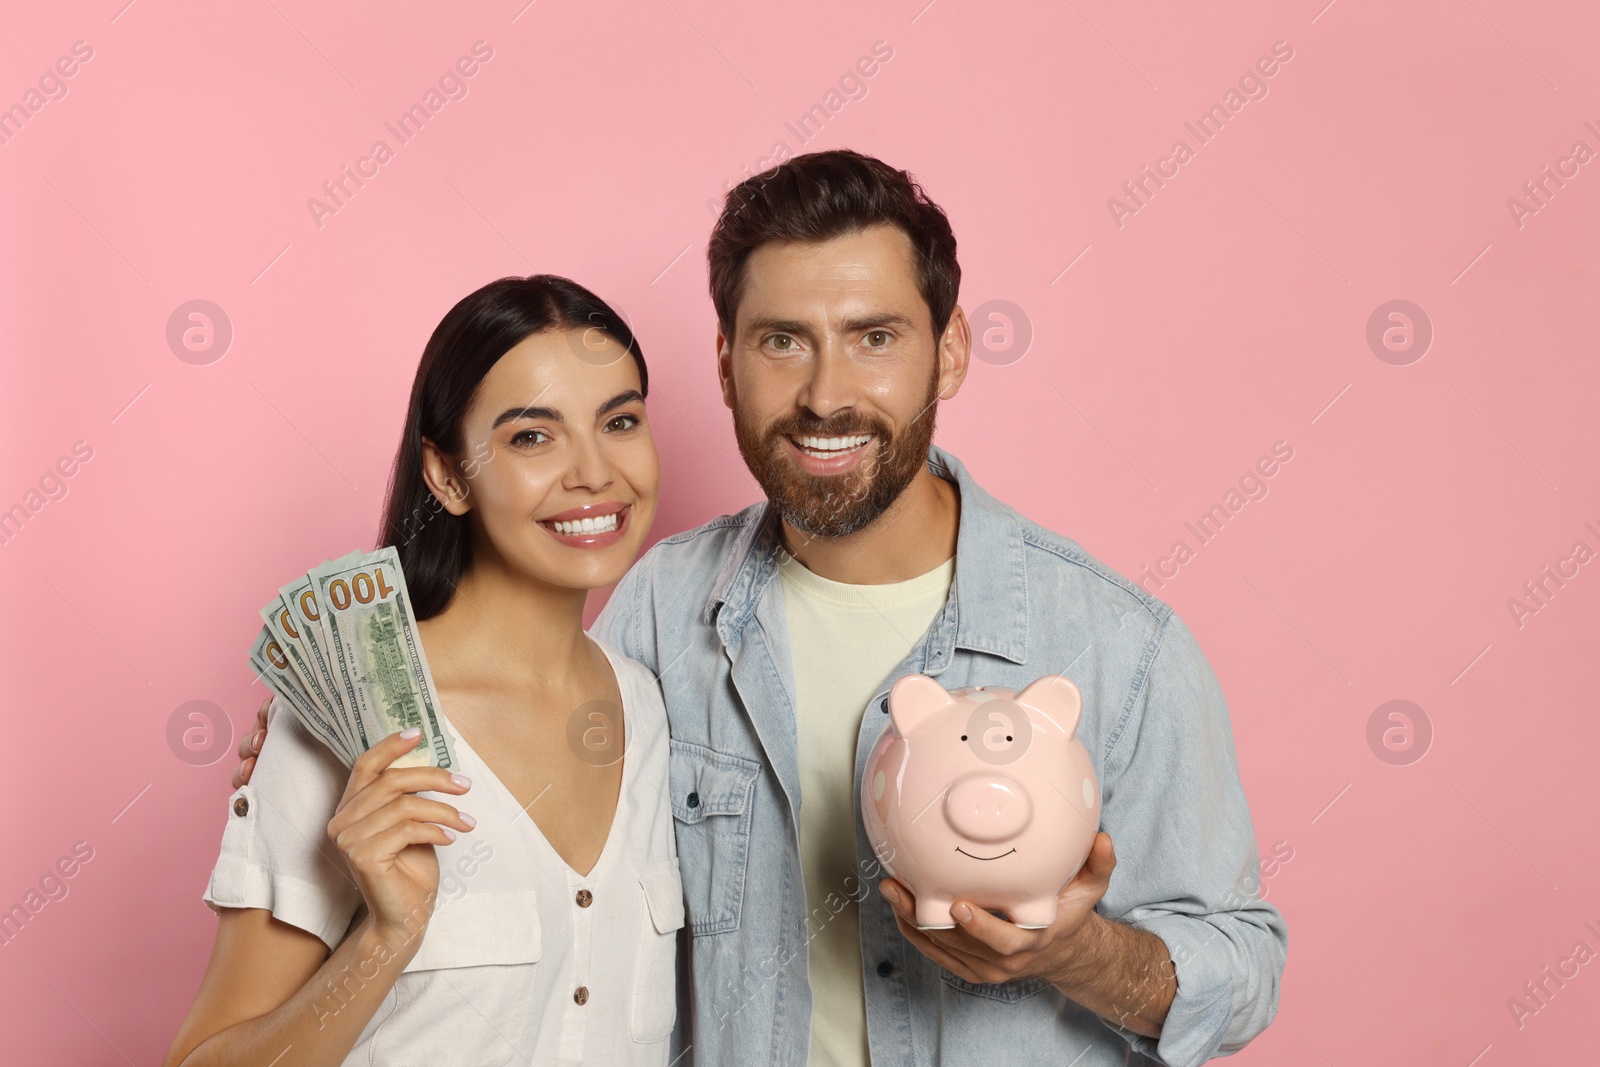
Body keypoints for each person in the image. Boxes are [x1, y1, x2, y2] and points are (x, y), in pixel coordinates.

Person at [235, 150, 1289, 1067]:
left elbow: (1242, 962)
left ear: (951, 349)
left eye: (874, 336)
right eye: (783, 340)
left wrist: (1073, 949)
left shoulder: (1120, 648)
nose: (827, 392)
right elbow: (521, 766)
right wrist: (329, 736)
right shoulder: (658, 607)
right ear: (728, 367)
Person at [168, 275, 685, 1066]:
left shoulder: (654, 707)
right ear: (447, 475)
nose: (593, 472)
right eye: (532, 437)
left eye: (619, 421)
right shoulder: (348, 730)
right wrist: (385, 938)